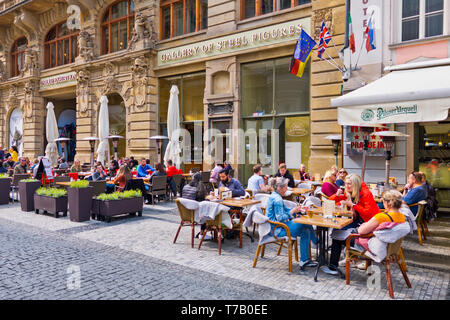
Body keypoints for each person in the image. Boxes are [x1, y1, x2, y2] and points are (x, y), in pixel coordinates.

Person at [325, 174, 380, 275]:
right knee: (338, 231)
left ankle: (334, 266)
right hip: (359, 222)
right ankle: (347, 258)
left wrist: (353, 205)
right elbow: (330, 201)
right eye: (345, 183)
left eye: (349, 184)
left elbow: (367, 212)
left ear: (355, 184)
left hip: (369, 225)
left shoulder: (365, 193)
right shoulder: (351, 192)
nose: (347, 186)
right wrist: (337, 195)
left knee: (338, 236)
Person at [266, 177, 318, 269]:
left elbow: (285, 210)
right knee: (305, 222)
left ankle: (304, 260)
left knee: (305, 231)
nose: (287, 189)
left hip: (275, 227)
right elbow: (280, 218)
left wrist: (296, 209)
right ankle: (317, 242)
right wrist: (292, 212)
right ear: (279, 188)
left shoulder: (274, 195)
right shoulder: (277, 199)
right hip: (278, 229)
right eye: (285, 187)